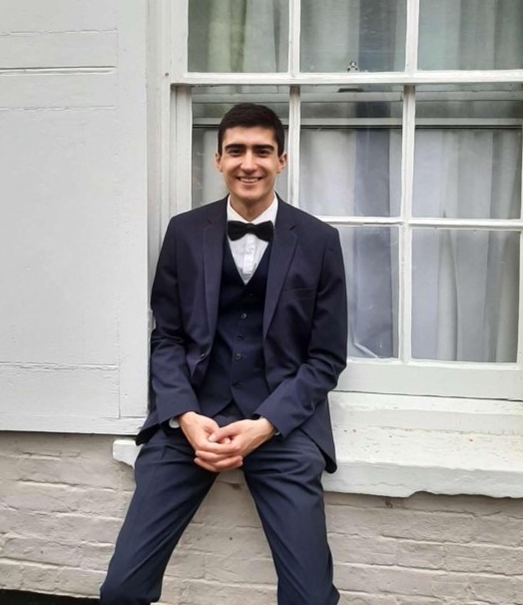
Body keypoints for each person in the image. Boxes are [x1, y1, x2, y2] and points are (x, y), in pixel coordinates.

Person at [100, 103, 348, 605]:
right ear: (217, 160)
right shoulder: (185, 232)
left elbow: (325, 358)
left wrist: (266, 424)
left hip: (282, 428)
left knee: (311, 598)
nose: (248, 163)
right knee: (121, 589)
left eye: (261, 151)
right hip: (191, 421)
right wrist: (185, 416)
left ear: (282, 159)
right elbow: (166, 336)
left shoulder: (320, 241)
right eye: (236, 150)